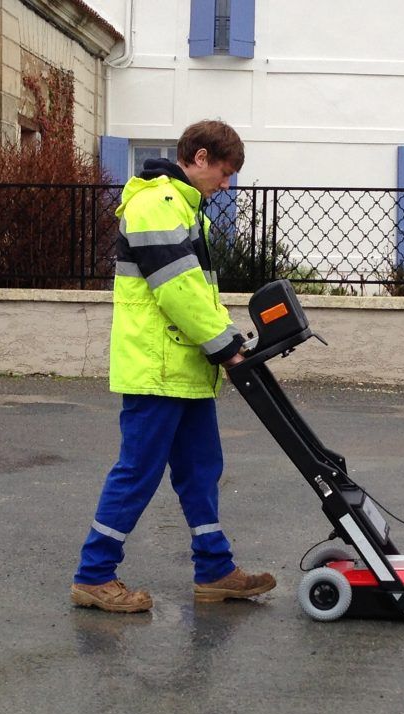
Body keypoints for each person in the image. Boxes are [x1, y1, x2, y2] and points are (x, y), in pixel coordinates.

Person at [71, 120, 276, 613]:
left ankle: (215, 570)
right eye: (224, 173)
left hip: (183, 369)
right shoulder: (155, 205)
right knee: (138, 471)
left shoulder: (186, 209)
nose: (226, 185)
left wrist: (224, 341)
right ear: (199, 157)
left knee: (201, 469)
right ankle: (93, 575)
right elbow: (178, 291)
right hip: (157, 369)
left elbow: (197, 293)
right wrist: (227, 346)